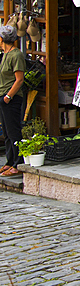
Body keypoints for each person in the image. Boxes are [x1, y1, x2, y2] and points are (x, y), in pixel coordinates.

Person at [0, 25, 26, 176]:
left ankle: (18, 163)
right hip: (4, 97)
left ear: (2, 39)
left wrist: (8, 97)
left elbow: (19, 80)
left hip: (12, 98)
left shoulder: (16, 55)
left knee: (14, 131)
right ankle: (10, 161)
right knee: (7, 132)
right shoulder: (5, 53)